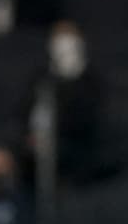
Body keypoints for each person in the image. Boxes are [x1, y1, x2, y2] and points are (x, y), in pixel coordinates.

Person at [20, 21, 107, 186]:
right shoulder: (41, 78)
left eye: (70, 46)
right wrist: (30, 135)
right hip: (34, 141)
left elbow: (87, 118)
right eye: (59, 46)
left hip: (72, 143)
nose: (64, 52)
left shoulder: (90, 81)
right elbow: (23, 111)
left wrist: (72, 77)